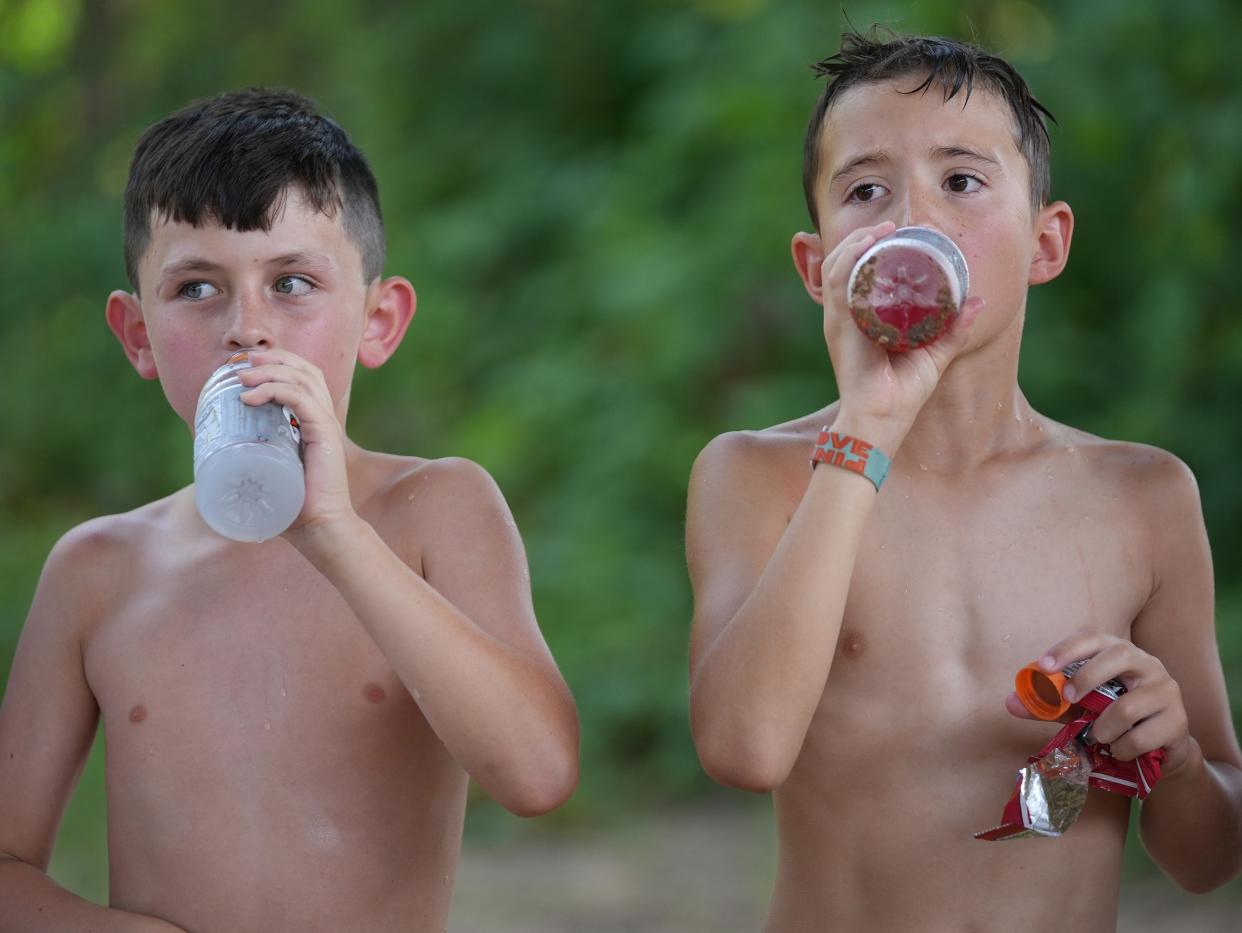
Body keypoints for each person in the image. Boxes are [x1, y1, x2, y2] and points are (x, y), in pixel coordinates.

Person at [686, 30, 1242, 932]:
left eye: (962, 180)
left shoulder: (1144, 498)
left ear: (1044, 242)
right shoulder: (756, 475)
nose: (912, 219)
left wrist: (1171, 757)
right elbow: (744, 748)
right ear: (815, 264)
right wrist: (866, 423)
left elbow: (1209, 859)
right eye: (866, 190)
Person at [0, 89, 579, 932]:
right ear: (137, 336)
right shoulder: (96, 570)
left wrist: (336, 534)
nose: (248, 329)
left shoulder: (436, 510)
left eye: (294, 282)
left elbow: (537, 775)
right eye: (197, 287)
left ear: (378, 321)